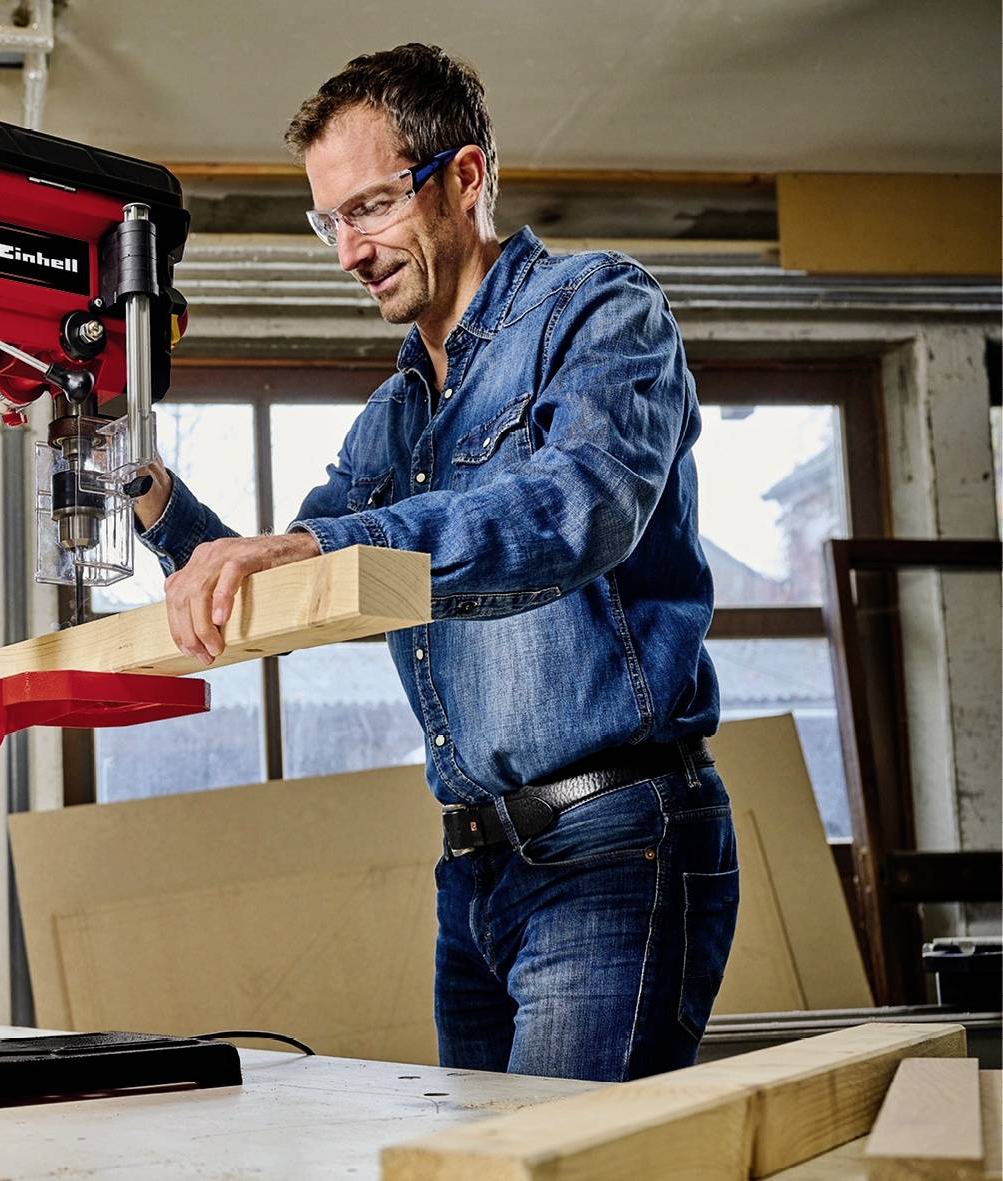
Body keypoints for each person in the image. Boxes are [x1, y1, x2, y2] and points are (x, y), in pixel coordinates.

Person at [131, 43, 737, 1083]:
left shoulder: (597, 311)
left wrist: (332, 538)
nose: (345, 252)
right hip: (475, 868)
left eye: (367, 207)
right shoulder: (395, 412)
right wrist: (135, 482)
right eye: (328, 221)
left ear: (463, 177)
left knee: (558, 1161)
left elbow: (573, 510)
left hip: (614, 843)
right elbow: (282, 579)